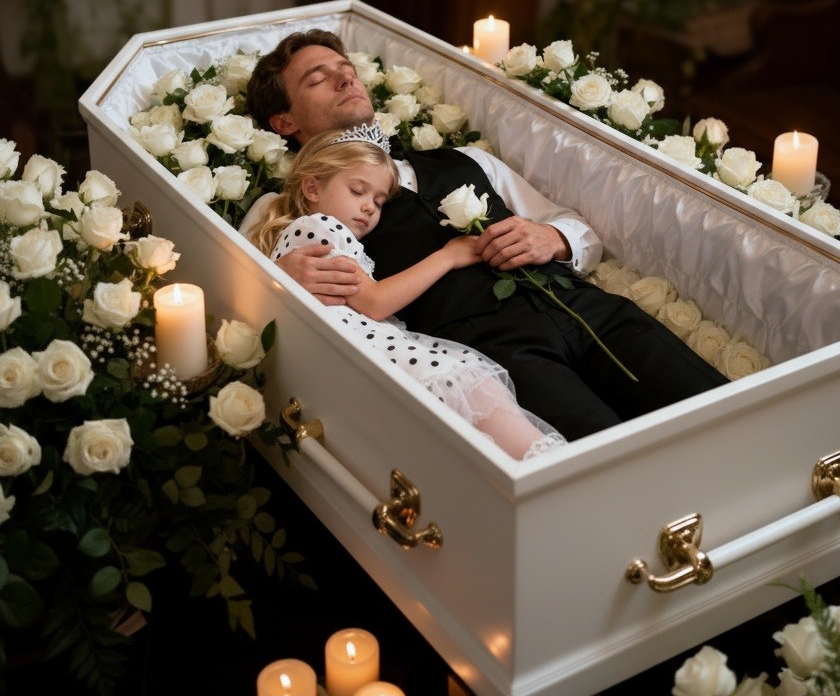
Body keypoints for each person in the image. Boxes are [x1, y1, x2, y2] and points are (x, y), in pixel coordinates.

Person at [243, 29, 728, 441]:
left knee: (718, 415)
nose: (345, 77)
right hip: (499, 351)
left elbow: (578, 228)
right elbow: (242, 295)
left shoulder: (468, 160)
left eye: (344, 67)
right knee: (601, 459)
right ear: (284, 122)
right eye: (318, 78)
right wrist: (278, 277)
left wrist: (551, 238)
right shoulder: (286, 203)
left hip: (588, 310)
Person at [246, 126, 566, 461]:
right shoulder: (318, 228)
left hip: (363, 363)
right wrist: (449, 255)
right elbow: (374, 302)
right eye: (358, 191)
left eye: (378, 201)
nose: (370, 208)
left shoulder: (298, 240)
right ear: (312, 186)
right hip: (390, 357)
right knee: (496, 416)